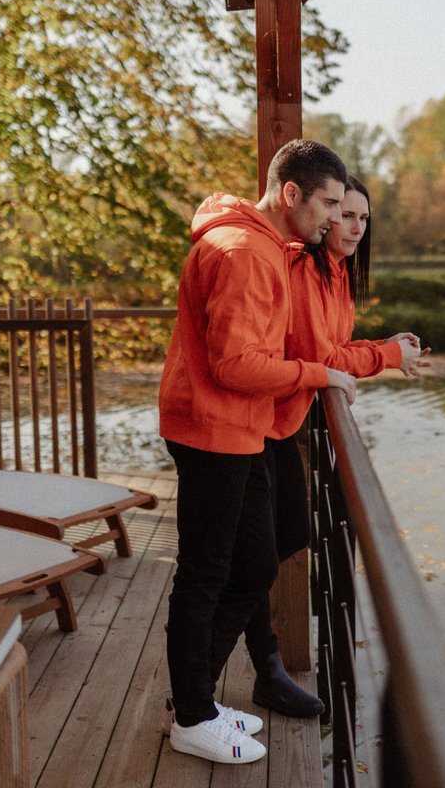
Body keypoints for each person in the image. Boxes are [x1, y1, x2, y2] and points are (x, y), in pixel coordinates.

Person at [157, 139, 358, 765]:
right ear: (290, 193)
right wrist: (318, 376)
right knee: (206, 573)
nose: (334, 218)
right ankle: (191, 716)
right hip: (212, 428)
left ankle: (195, 702)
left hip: (237, 427)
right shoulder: (245, 252)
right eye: (328, 203)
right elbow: (237, 364)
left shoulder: (267, 243)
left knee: (252, 565)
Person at [239, 176, 429, 717]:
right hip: (260, 424)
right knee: (250, 561)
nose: (353, 227)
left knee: (282, 539)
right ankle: (252, 670)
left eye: (363, 218)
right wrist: (386, 357)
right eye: (343, 214)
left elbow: (335, 350)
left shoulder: (336, 273)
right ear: (320, 212)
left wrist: (387, 348)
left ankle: (255, 662)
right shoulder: (300, 267)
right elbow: (314, 356)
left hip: (281, 424)